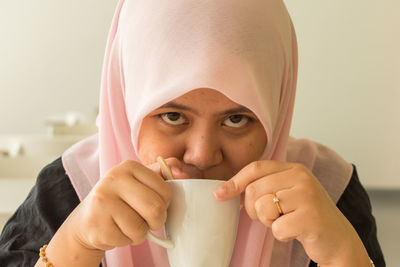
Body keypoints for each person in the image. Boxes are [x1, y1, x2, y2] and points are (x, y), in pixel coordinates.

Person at [0, 0, 385, 266]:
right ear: (127, 104)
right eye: (172, 116)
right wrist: (77, 246)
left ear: (276, 109)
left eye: (237, 119)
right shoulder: (69, 190)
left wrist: (343, 257)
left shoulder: (329, 194)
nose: (201, 155)